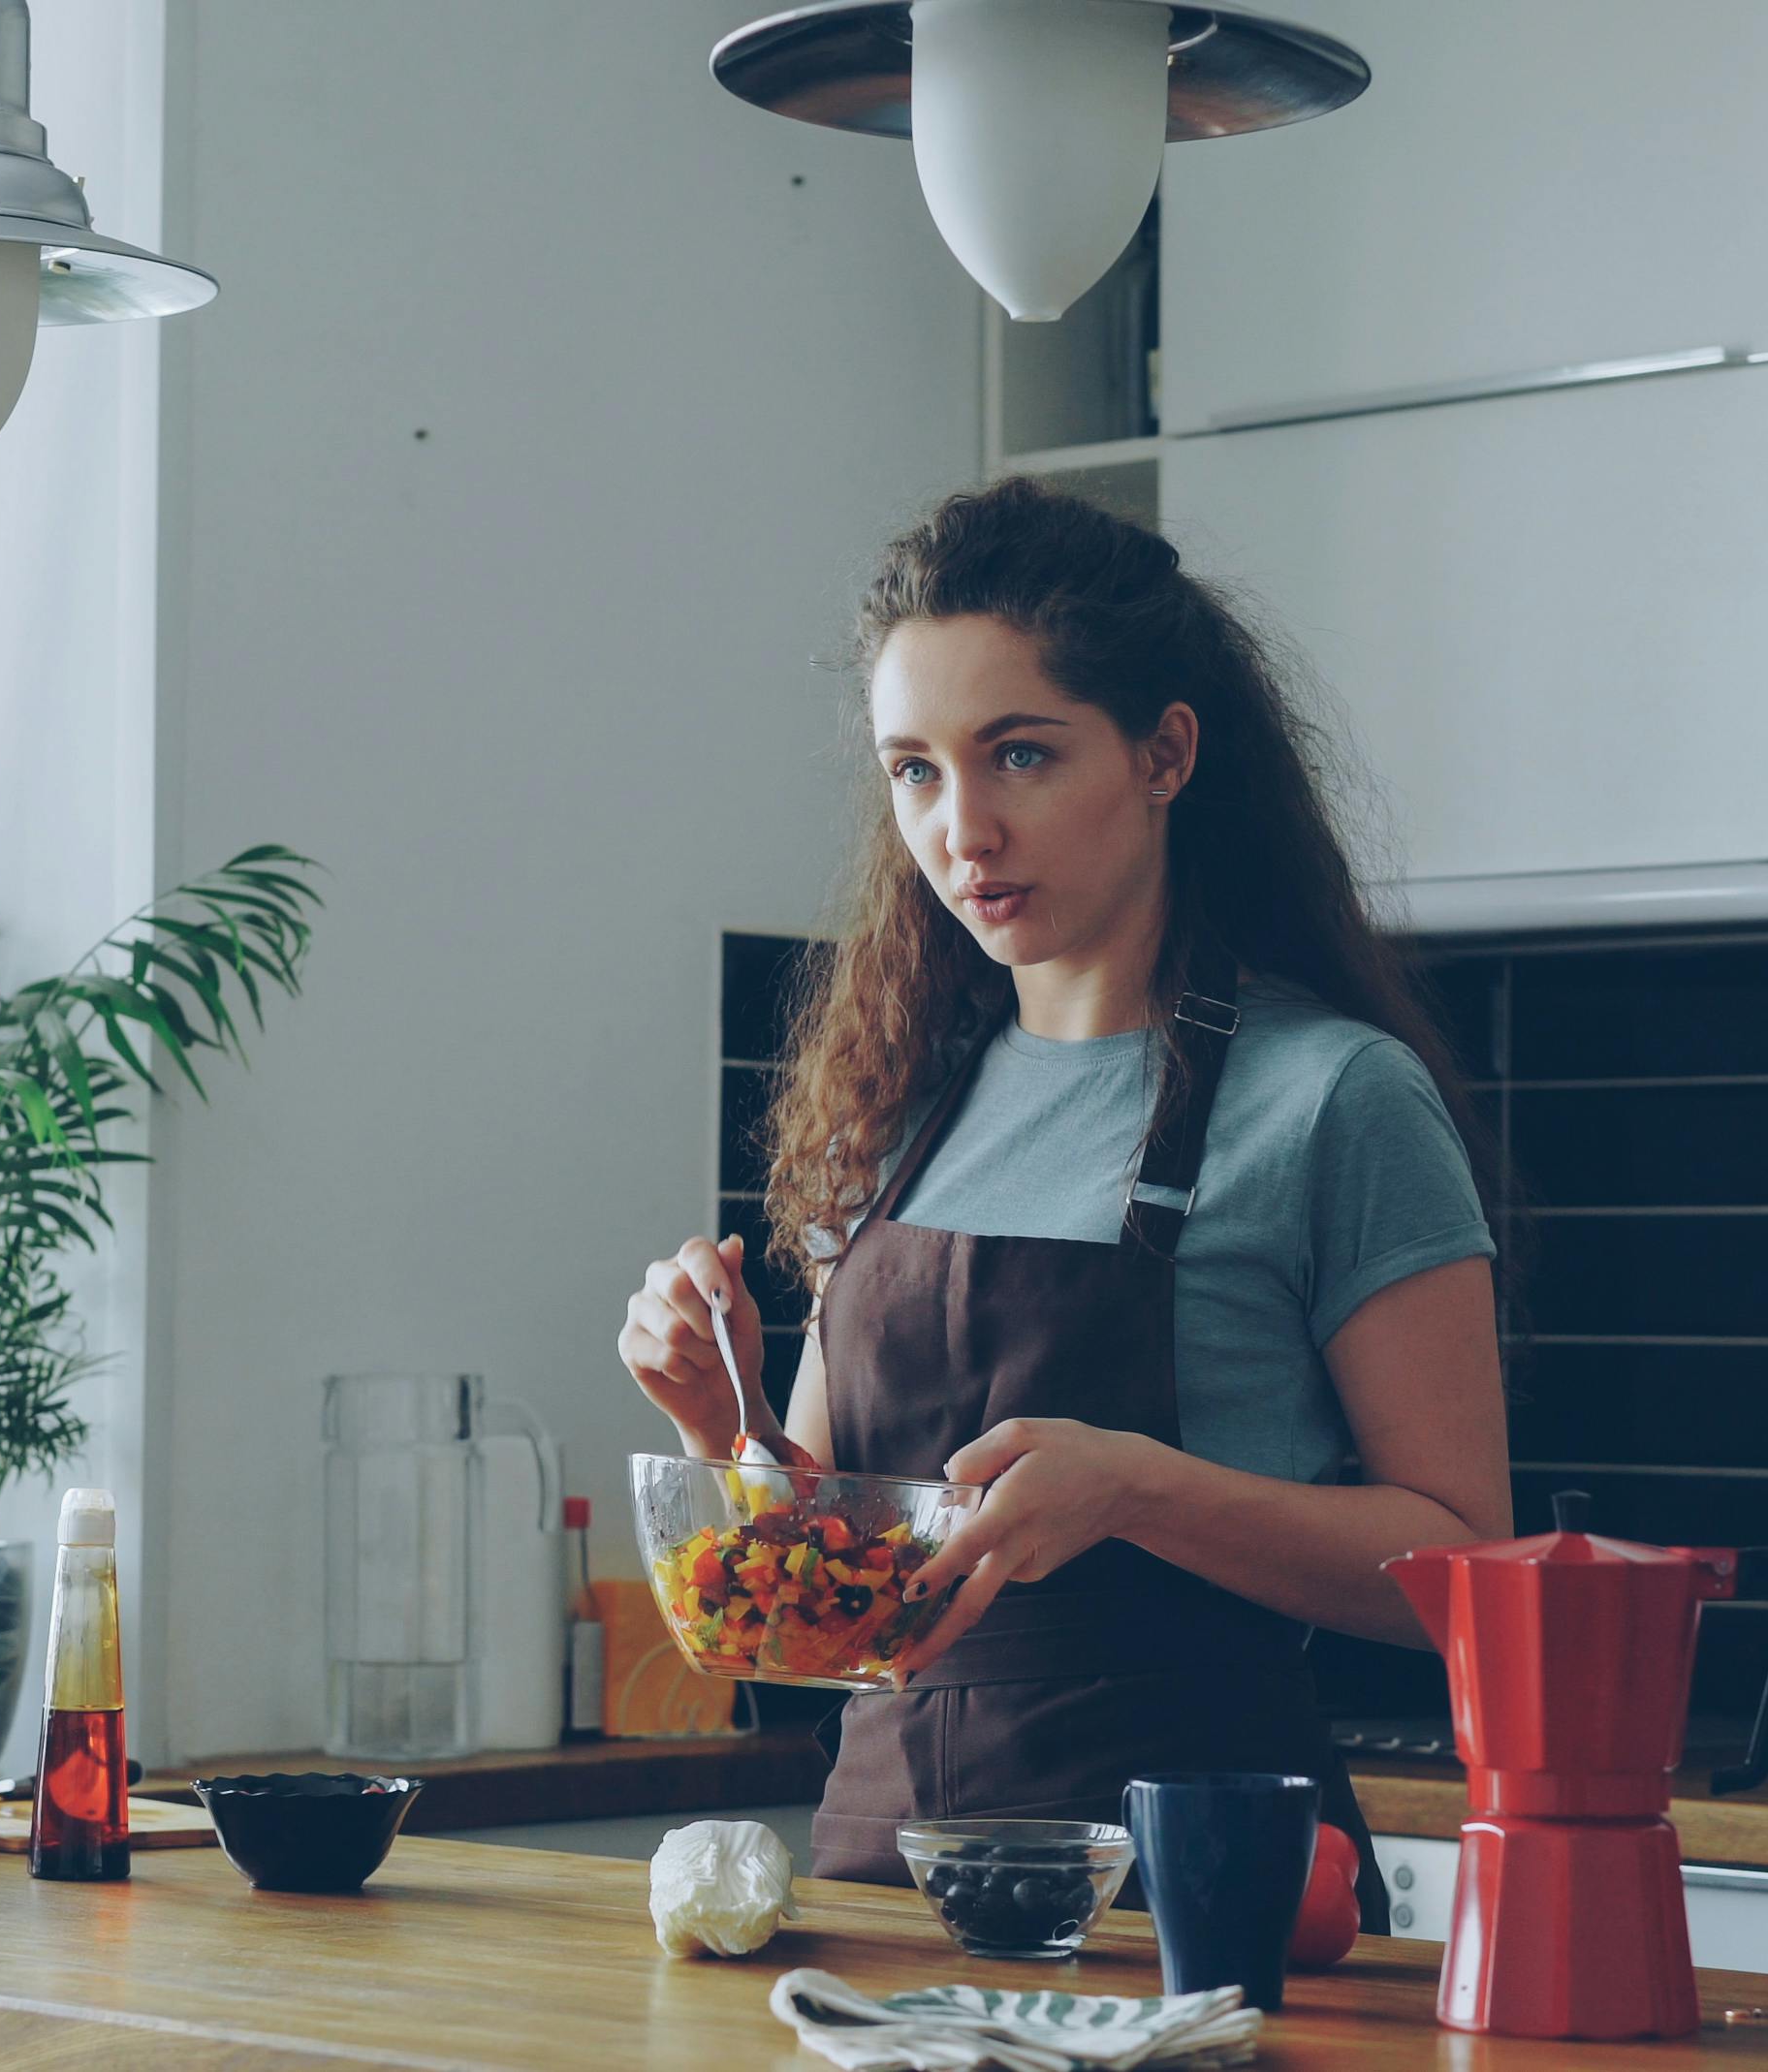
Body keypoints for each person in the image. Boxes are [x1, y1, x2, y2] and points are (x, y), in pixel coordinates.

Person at [617, 477, 1513, 1923]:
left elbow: (1467, 1573)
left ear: (1166, 754)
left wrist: (1140, 1490)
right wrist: (720, 1427)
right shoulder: (900, 1099)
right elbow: (837, 1567)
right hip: (878, 1887)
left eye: (1019, 753)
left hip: (1203, 1895)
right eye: (914, 769)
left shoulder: (1338, 1098)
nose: (962, 828)